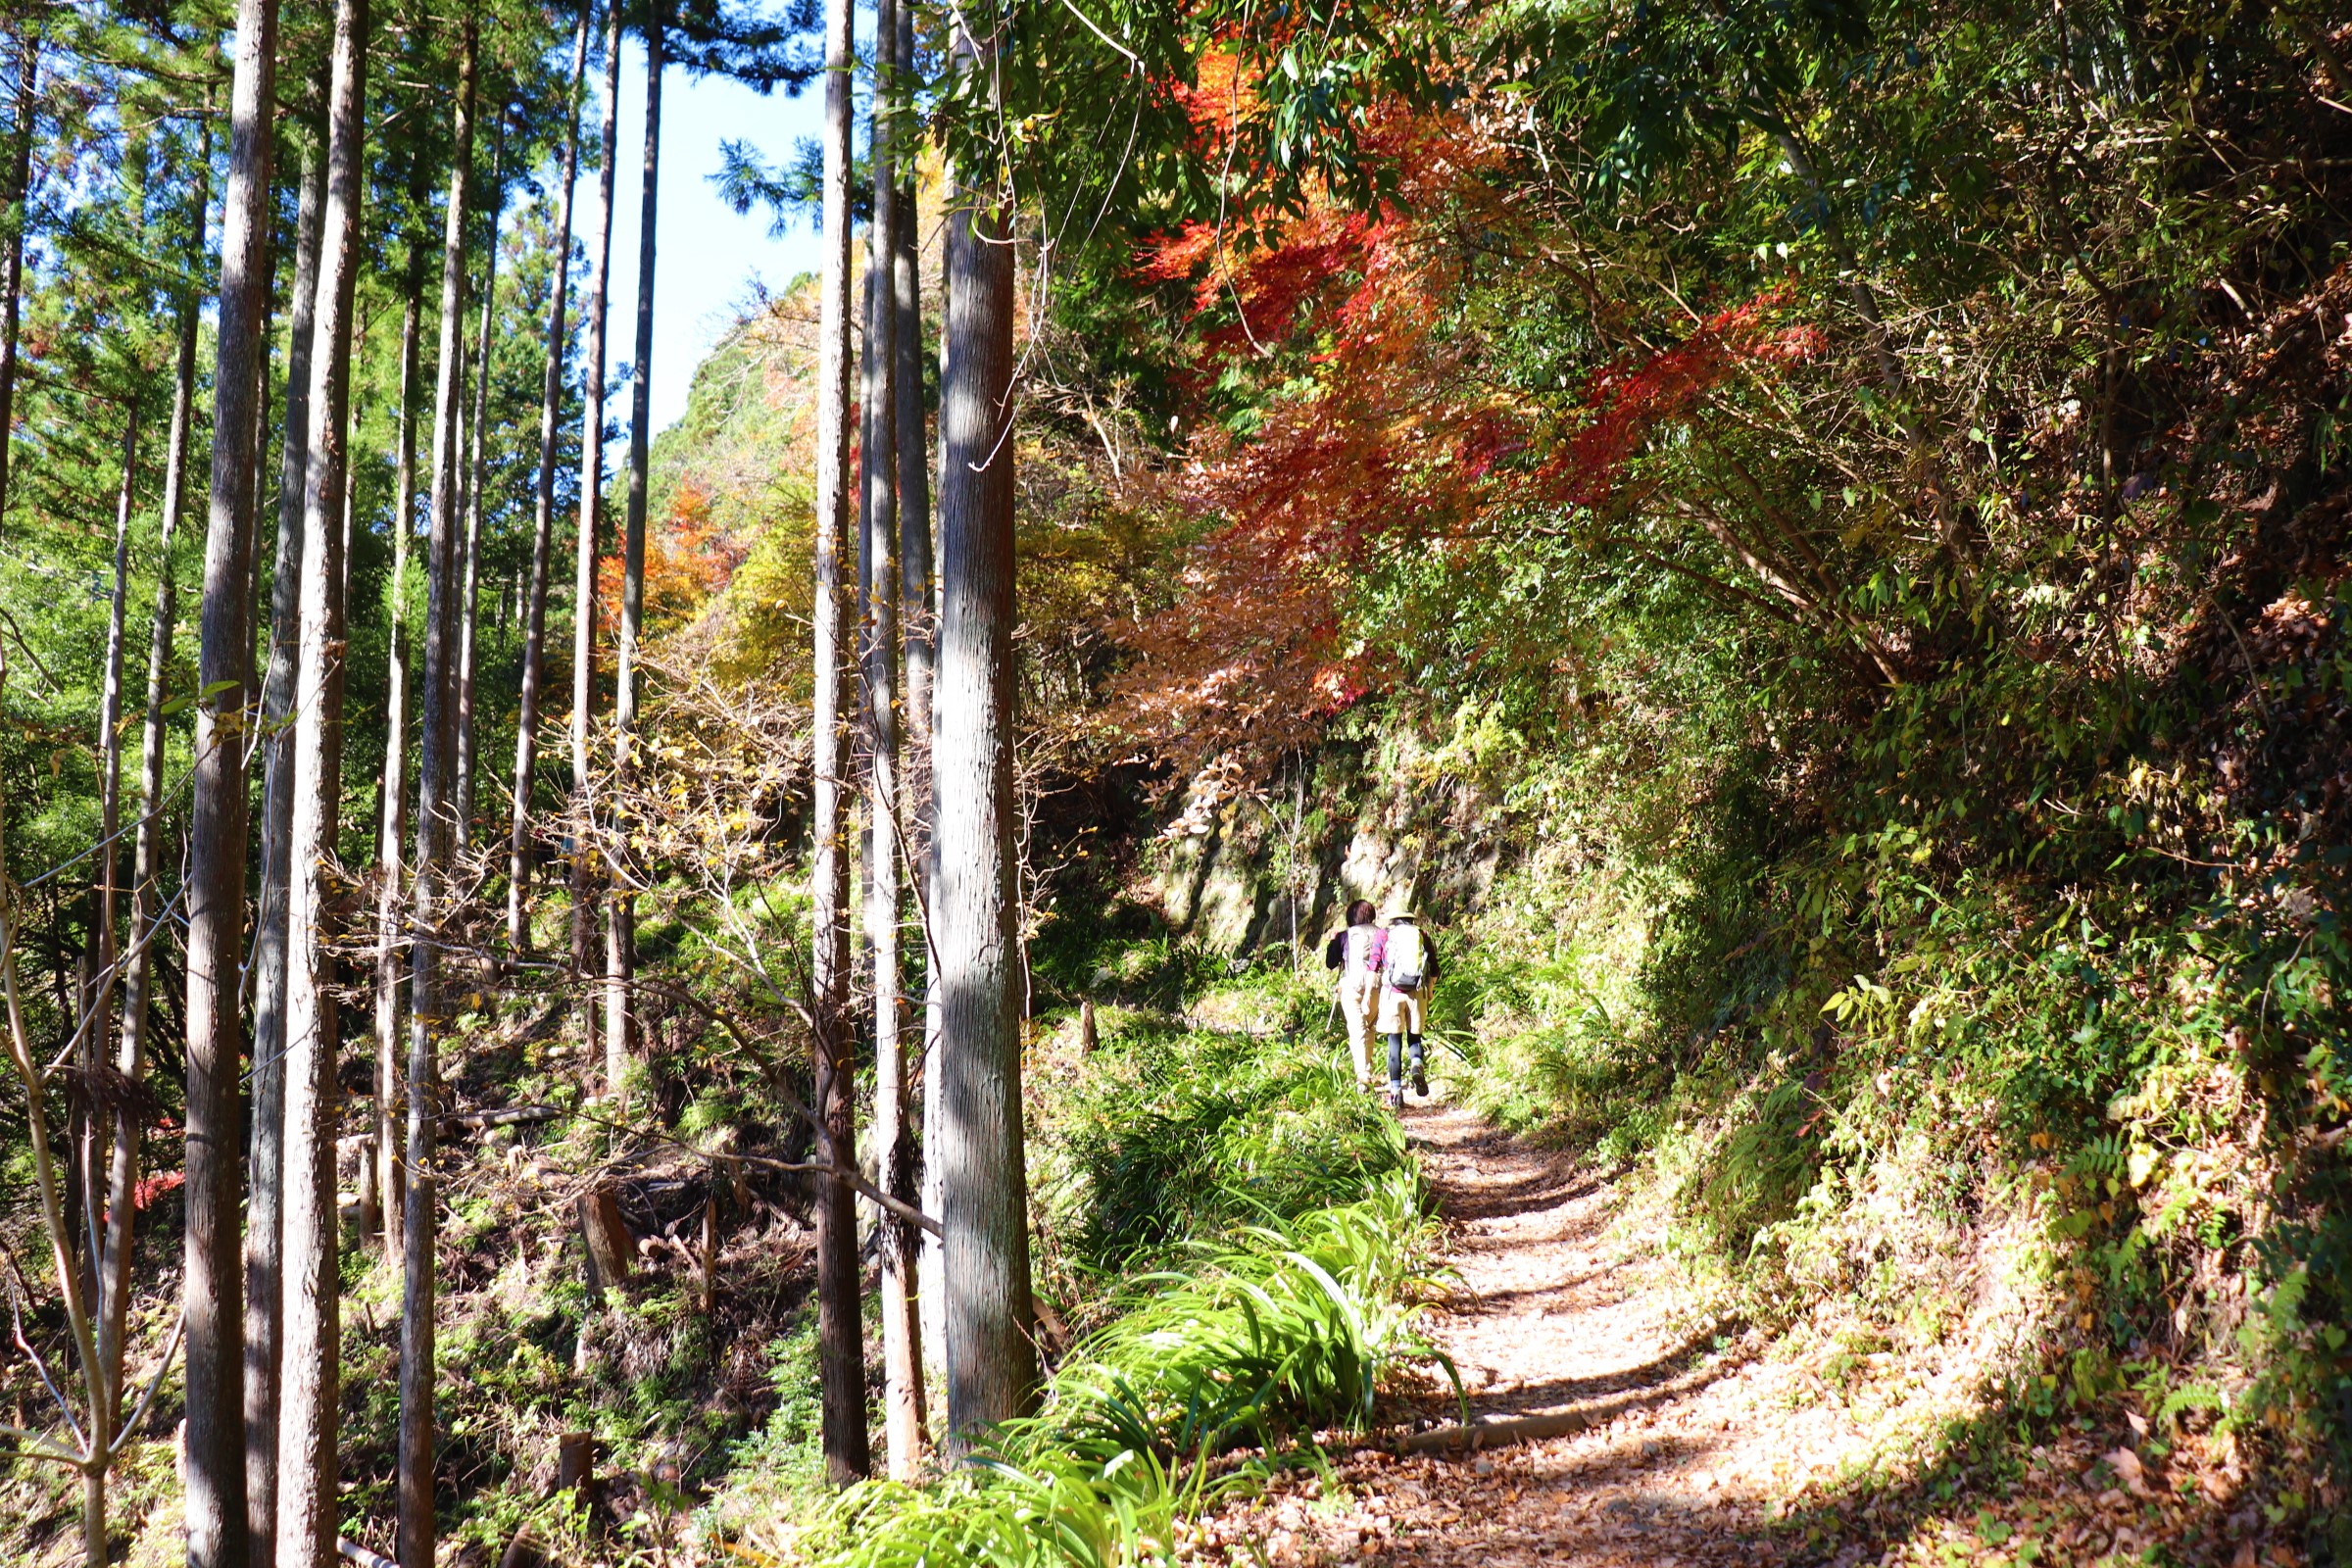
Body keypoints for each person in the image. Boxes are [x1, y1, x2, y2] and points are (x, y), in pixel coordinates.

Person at [1376, 906, 1440, 1109]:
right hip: (1417, 992)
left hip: (1393, 993)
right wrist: (1430, 991)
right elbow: (1434, 967)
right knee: (1414, 1037)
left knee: (1394, 1041)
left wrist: (1371, 992)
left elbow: (1373, 965)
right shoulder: (1421, 934)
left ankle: (1396, 1092)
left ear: (1393, 920)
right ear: (1410, 920)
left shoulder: (1384, 935)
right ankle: (1417, 1064)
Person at [1322, 899, 1384, 1089]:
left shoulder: (1345, 936)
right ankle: (1367, 1069)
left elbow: (1331, 963)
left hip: (1353, 988)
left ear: (1350, 917)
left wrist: (1333, 942)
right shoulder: (1381, 934)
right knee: (1370, 1029)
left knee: (1357, 1031)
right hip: (1377, 988)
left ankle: (1362, 1076)